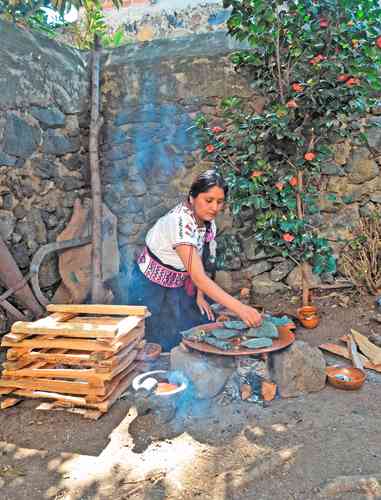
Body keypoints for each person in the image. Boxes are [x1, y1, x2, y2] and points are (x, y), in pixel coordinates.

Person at [127, 169, 262, 351]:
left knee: (196, 328)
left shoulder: (207, 222)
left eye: (219, 202)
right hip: (149, 287)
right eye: (209, 200)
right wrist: (242, 309)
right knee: (153, 340)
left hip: (178, 283)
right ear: (192, 197)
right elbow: (198, 276)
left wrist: (200, 295)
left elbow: (201, 259)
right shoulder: (179, 223)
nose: (214, 207)